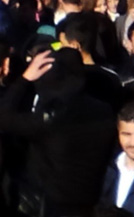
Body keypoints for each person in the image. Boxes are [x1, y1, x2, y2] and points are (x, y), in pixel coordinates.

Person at [0, 49, 117, 217]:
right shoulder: (104, 111)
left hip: (52, 205)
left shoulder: (51, 119)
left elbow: (3, 117)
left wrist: (24, 79)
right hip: (90, 202)